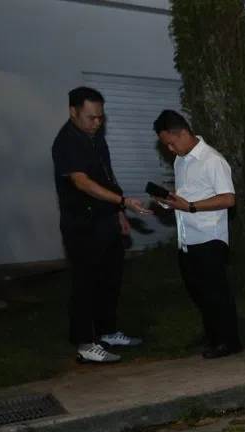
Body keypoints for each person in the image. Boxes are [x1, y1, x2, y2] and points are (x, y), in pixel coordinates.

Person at [51, 86, 152, 364]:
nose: (97, 123)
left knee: (110, 280)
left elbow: (107, 174)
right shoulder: (67, 142)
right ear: (73, 112)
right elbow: (81, 182)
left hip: (105, 221)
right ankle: (85, 344)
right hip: (81, 225)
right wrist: (123, 201)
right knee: (85, 283)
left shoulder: (95, 139)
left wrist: (119, 212)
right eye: (91, 118)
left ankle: (107, 332)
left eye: (101, 118)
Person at [153, 110, 241, 359]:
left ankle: (229, 341)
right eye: (166, 145)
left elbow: (228, 199)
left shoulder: (212, 160)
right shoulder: (181, 160)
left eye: (171, 142)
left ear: (183, 132)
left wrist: (191, 207)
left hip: (209, 237)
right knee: (199, 291)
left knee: (216, 291)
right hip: (187, 238)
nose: (170, 149)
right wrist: (171, 199)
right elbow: (189, 194)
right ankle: (214, 335)